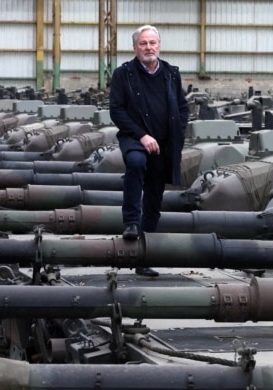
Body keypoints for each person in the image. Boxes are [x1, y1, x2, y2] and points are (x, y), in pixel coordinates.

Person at [109, 25, 189, 277]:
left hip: (164, 144)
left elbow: (183, 107)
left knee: (154, 197)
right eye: (143, 43)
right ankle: (131, 222)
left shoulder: (170, 73)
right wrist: (142, 135)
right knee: (135, 162)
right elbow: (117, 110)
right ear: (135, 48)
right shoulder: (124, 74)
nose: (148, 48)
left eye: (152, 43)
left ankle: (144, 257)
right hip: (135, 136)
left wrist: (178, 131)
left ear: (159, 46)